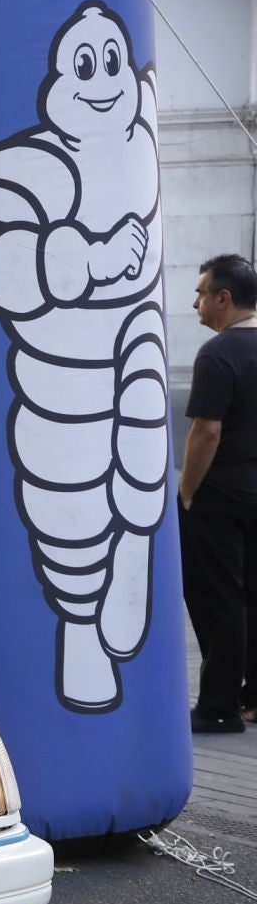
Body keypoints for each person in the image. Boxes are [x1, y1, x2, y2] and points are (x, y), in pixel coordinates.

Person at [178, 253, 257, 733]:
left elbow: (206, 431)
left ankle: (219, 706)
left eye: (202, 292)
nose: (195, 302)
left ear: (224, 298)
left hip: (222, 496)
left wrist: (187, 492)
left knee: (219, 599)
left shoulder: (219, 353)